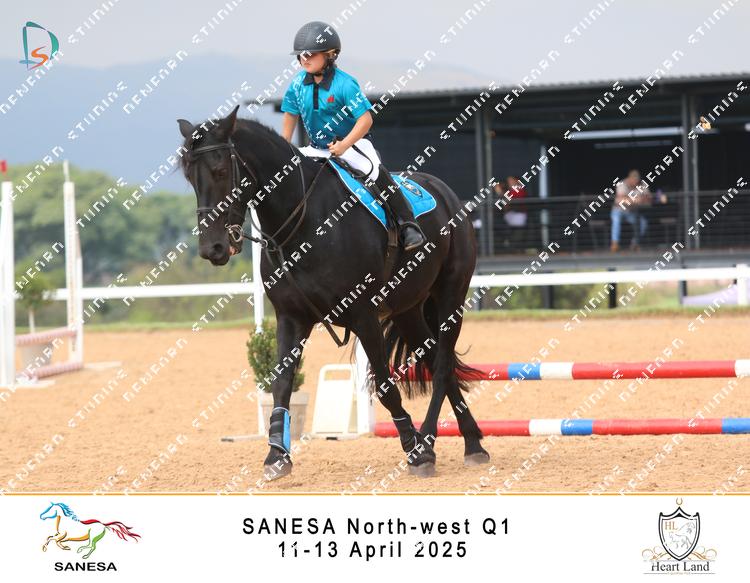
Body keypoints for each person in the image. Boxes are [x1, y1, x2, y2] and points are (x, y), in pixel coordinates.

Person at [280, 21, 426, 251]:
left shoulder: (345, 84)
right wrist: (284, 145)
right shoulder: (297, 84)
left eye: (310, 54)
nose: (304, 59)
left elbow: (365, 120)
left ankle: (408, 225)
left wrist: (344, 144)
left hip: (352, 145)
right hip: (316, 147)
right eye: (300, 55)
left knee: (374, 172)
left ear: (330, 54)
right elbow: (290, 113)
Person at [610, 169, 652, 252]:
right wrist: (634, 200)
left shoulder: (642, 185)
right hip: (619, 210)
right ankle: (615, 244)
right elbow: (620, 200)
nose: (635, 181)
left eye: (637, 179)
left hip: (631, 212)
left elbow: (649, 198)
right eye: (633, 179)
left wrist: (641, 200)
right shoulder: (622, 184)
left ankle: (634, 244)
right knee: (616, 220)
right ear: (629, 178)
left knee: (643, 223)